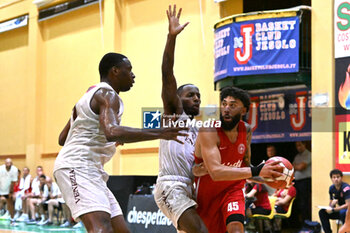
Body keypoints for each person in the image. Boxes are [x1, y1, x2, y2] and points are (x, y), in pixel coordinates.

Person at [53, 52, 187, 233]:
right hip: (77, 166)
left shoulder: (87, 96)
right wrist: (160, 132)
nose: (133, 75)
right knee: (101, 229)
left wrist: (104, 140)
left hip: (91, 169)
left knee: (121, 230)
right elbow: (111, 132)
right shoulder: (108, 95)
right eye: (129, 70)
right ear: (115, 71)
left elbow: (63, 139)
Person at [194, 86, 282, 233]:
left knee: (236, 229)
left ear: (243, 110)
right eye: (224, 104)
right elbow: (216, 172)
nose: (226, 109)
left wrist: (273, 179)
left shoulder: (246, 130)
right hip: (207, 195)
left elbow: (246, 168)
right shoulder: (209, 130)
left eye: (232, 105)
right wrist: (258, 169)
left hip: (233, 190)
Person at [153, 5, 208, 233]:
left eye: (198, 96)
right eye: (190, 95)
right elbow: (167, 73)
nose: (196, 98)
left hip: (190, 187)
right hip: (170, 186)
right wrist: (171, 38)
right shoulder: (174, 114)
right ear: (177, 98)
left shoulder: (199, 129)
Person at [319, 169, 350, 233]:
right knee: (322, 212)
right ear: (331, 179)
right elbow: (331, 204)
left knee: (342, 213)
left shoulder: (346, 188)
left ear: (341, 178)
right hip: (339, 210)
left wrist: (334, 209)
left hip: (347, 212)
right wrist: (331, 206)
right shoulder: (331, 188)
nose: (336, 179)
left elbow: (348, 205)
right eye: (334, 177)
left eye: (338, 177)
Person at [293, 141, 311, 223]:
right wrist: (296, 166)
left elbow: (301, 167)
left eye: (300, 145)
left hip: (305, 181)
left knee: (304, 202)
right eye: (297, 146)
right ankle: (299, 223)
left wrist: (296, 166)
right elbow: (292, 167)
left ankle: (306, 222)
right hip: (297, 182)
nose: (298, 147)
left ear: (305, 144)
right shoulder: (297, 156)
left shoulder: (308, 154)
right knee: (298, 202)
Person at [0, 158, 18, 226]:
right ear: (5, 164)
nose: (9, 164)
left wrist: (10, 192)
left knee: (10, 204)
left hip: (7, 189)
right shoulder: (1, 169)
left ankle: (12, 220)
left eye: (10, 163)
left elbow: (13, 182)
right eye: (7, 163)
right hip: (0, 187)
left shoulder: (14, 169)